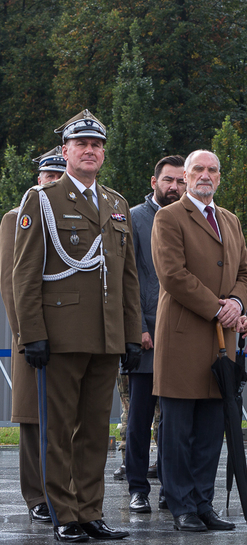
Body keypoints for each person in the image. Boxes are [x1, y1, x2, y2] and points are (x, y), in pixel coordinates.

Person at [13, 110, 142, 541]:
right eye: (81, 145)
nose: (90, 151)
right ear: (65, 152)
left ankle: (90, 511)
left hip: (106, 336)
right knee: (58, 431)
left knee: (94, 432)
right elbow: (25, 275)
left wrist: (130, 333)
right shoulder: (43, 200)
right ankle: (64, 514)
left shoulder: (116, 203)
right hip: (62, 335)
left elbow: (127, 277)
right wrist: (32, 334)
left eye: (97, 145)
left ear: (103, 154)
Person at [151, 149, 247, 532]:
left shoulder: (230, 219)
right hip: (183, 337)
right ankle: (181, 506)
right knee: (178, 430)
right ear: (187, 175)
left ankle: (203, 502)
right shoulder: (170, 216)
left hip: (222, 342)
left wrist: (238, 302)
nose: (205, 175)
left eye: (213, 169)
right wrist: (219, 307)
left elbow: (246, 272)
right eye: (198, 169)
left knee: (213, 427)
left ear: (219, 177)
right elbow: (172, 275)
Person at [0, 146, 65, 525]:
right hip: (35, 335)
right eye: (48, 176)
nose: (54, 181)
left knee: (68, 423)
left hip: (73, 334)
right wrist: (27, 336)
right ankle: (37, 495)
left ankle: (65, 493)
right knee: (36, 421)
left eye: (60, 175)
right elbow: (12, 283)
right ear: (38, 179)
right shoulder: (17, 216)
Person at [125, 155, 186, 514]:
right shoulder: (134, 218)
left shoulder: (187, 218)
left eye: (180, 181)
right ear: (154, 182)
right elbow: (127, 277)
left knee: (174, 418)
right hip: (147, 332)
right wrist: (139, 328)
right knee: (140, 417)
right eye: (168, 180)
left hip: (179, 334)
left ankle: (169, 486)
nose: (174, 187)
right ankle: (138, 487)